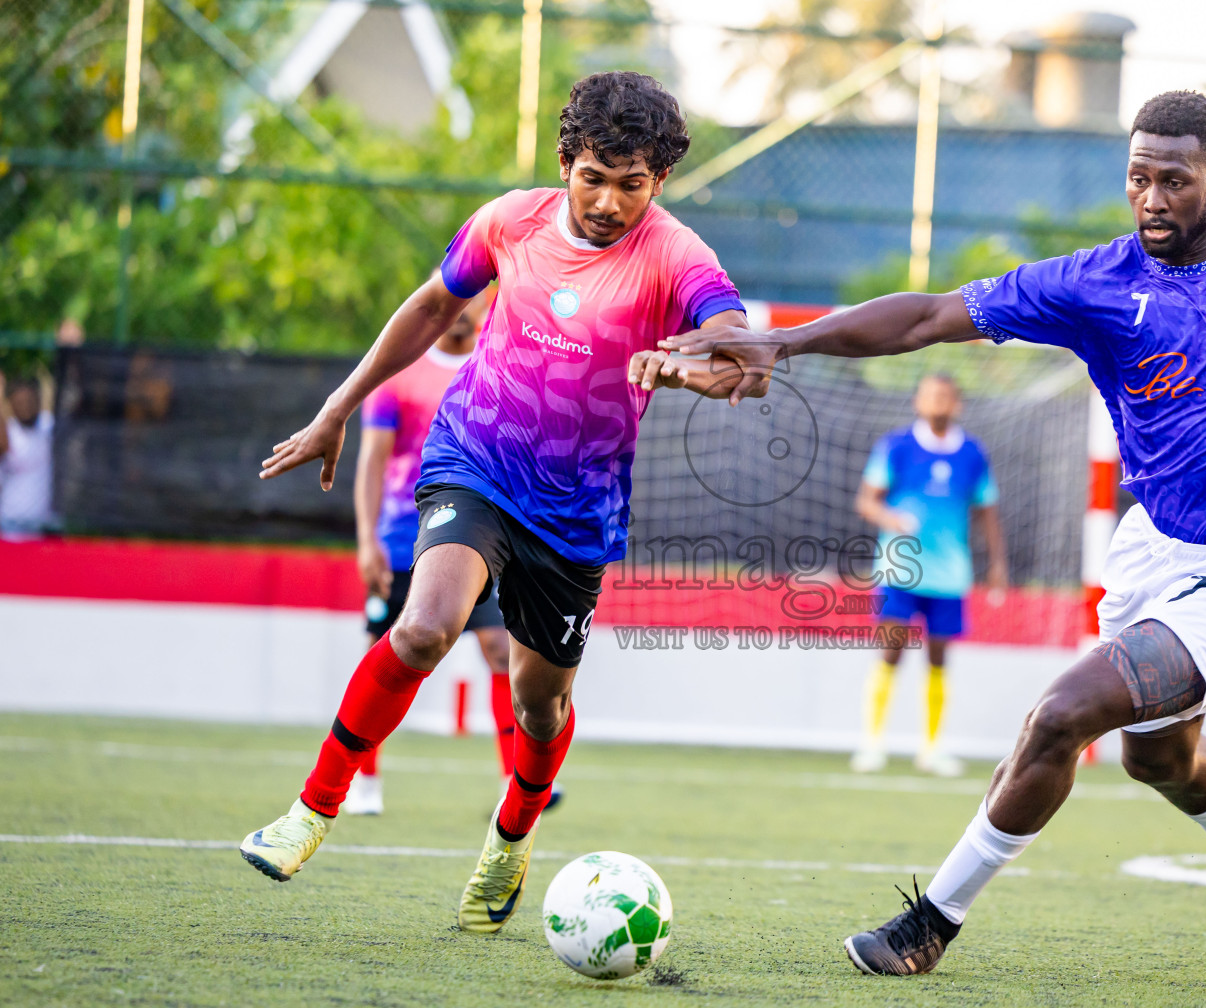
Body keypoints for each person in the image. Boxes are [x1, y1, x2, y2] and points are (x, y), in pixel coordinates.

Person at [661, 90, 1206, 973]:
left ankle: (931, 922)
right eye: (1138, 178)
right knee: (1155, 759)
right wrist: (785, 343)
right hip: (1151, 555)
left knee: (1062, 716)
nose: (1152, 197)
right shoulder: (1095, 283)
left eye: (1176, 180)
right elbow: (928, 317)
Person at [239, 72, 756, 935]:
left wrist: (689, 367)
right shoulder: (508, 219)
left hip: (578, 513)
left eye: (632, 185)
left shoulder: (678, 256)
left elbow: (745, 358)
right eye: (593, 177)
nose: (608, 202)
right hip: (471, 459)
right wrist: (338, 406)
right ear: (566, 162)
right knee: (422, 628)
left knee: (538, 705)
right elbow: (434, 301)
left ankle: (511, 838)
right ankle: (311, 810)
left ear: (657, 182)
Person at [346, 283, 561, 816]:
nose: (463, 310)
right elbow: (373, 459)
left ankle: (511, 783)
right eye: (455, 299)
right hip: (403, 536)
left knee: (498, 649)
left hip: (478, 537)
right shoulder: (400, 370)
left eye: (473, 301)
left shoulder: (497, 367)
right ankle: (363, 780)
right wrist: (366, 539)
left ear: (484, 308)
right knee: (389, 649)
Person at [852, 373, 1006, 778]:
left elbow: (987, 509)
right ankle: (872, 742)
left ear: (957, 404)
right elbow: (866, 501)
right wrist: (891, 518)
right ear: (918, 401)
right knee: (890, 652)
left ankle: (932, 748)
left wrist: (997, 562)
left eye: (945, 396)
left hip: (949, 574)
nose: (937, 402)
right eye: (929, 395)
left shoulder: (973, 454)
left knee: (938, 659)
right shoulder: (896, 446)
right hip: (899, 568)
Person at [0, 372, 59, 539]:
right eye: (19, 402)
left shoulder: (49, 426)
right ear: (11, 404)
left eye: (30, 401)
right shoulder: (7, 433)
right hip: (11, 529)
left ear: (39, 400)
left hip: (45, 529)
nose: (26, 407)